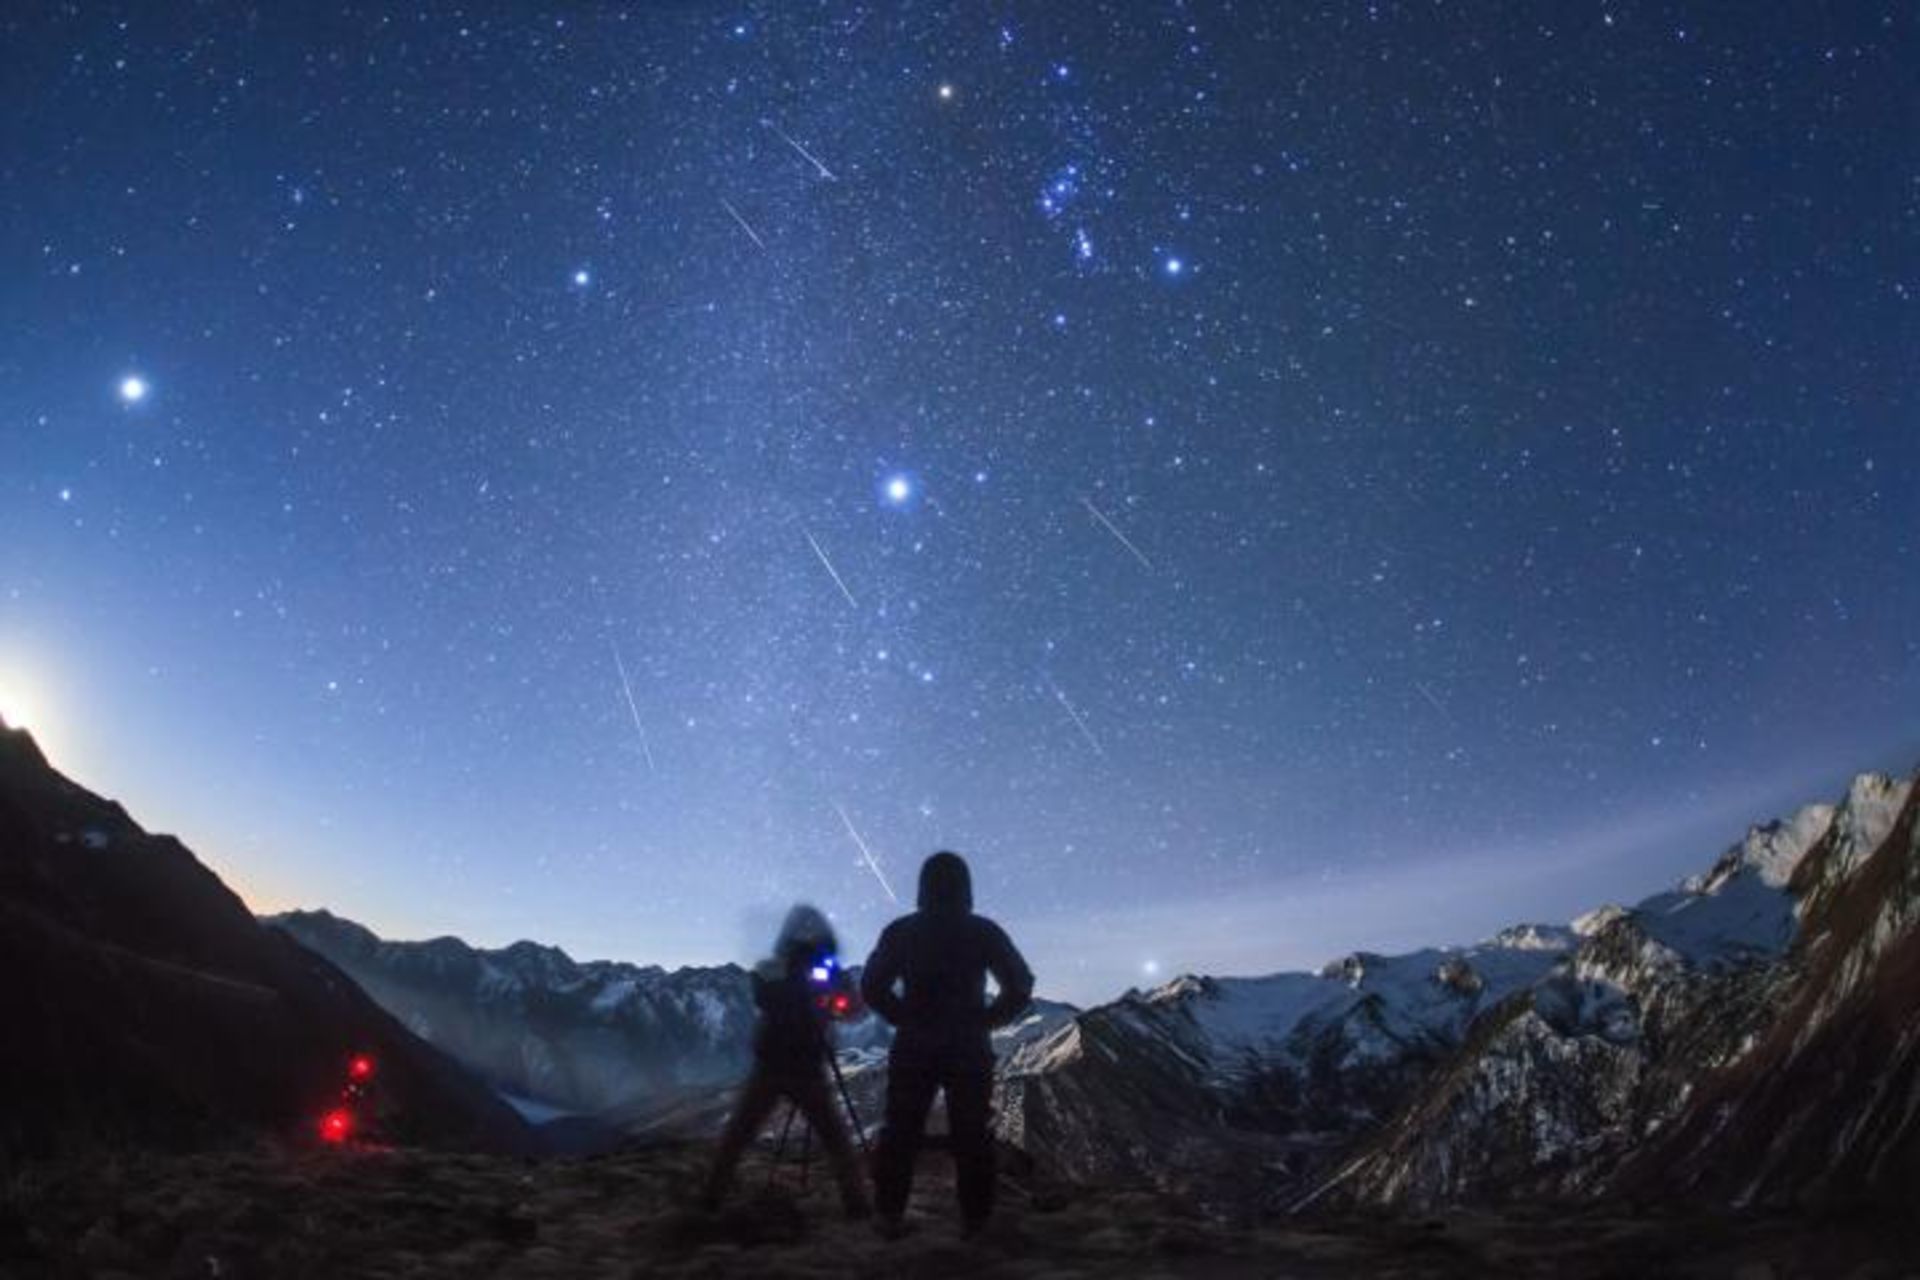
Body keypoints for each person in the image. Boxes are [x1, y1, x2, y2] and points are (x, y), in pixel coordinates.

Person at [861, 850, 1034, 1237]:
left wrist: (902, 1015)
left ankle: (888, 1216)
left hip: (914, 1044)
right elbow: (1021, 984)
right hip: (968, 1047)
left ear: (922, 887)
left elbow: (872, 986)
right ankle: (976, 1222)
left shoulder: (901, 931)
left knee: (901, 1131)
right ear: (965, 888)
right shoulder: (983, 931)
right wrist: (988, 1020)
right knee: (972, 1134)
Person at [701, 904, 870, 1219]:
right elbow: (850, 1012)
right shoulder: (783, 971)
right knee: (835, 1139)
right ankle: (857, 1204)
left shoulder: (775, 969)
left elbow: (848, 1010)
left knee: (739, 1134)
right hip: (803, 1068)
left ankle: (711, 1198)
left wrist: (831, 995)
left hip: (774, 1064)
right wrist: (826, 994)